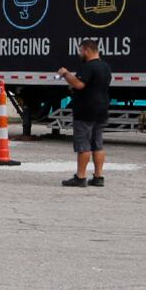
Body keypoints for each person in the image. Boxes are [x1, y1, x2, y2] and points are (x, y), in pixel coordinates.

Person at [58, 40, 112, 187]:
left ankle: (80, 177)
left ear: (87, 50)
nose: (80, 54)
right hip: (101, 110)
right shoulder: (105, 67)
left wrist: (65, 74)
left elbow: (78, 84)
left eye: (80, 51)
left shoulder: (88, 67)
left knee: (84, 145)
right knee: (98, 144)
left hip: (86, 111)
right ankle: (98, 176)